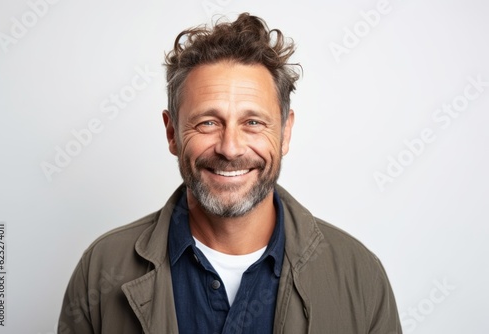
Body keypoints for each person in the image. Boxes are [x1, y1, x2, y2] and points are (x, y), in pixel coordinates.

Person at [58, 13, 402, 334]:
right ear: (172, 133)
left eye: (253, 123)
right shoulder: (101, 270)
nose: (231, 148)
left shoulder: (359, 276)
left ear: (285, 134)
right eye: (208, 122)